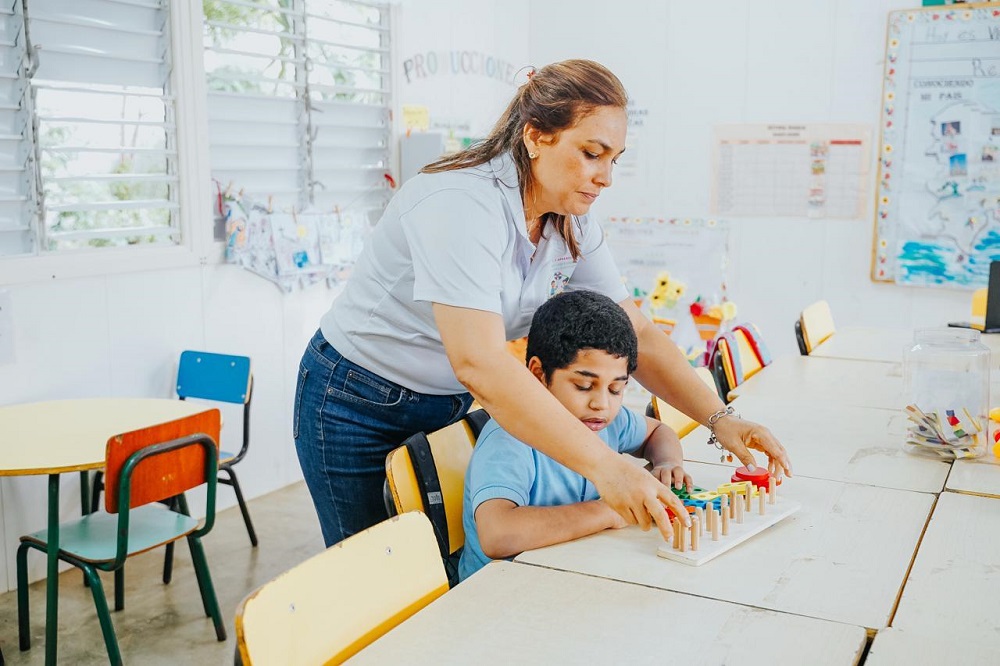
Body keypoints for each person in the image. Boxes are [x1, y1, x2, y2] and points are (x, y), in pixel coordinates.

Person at [293, 58, 791, 549]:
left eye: (614, 159)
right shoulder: (461, 204)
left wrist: (721, 419)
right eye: (592, 153)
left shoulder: (570, 219)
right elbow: (480, 362)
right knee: (380, 569)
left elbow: (637, 332)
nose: (605, 177)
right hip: (356, 399)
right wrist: (607, 468)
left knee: (434, 556)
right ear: (535, 136)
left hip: (446, 398)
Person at [459, 291, 693, 580]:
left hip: (572, 571)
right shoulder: (508, 437)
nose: (601, 404)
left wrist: (667, 463)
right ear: (538, 374)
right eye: (583, 386)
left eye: (616, 389)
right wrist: (608, 511)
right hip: (500, 590)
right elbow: (497, 535)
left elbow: (658, 431)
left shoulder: (605, 421)